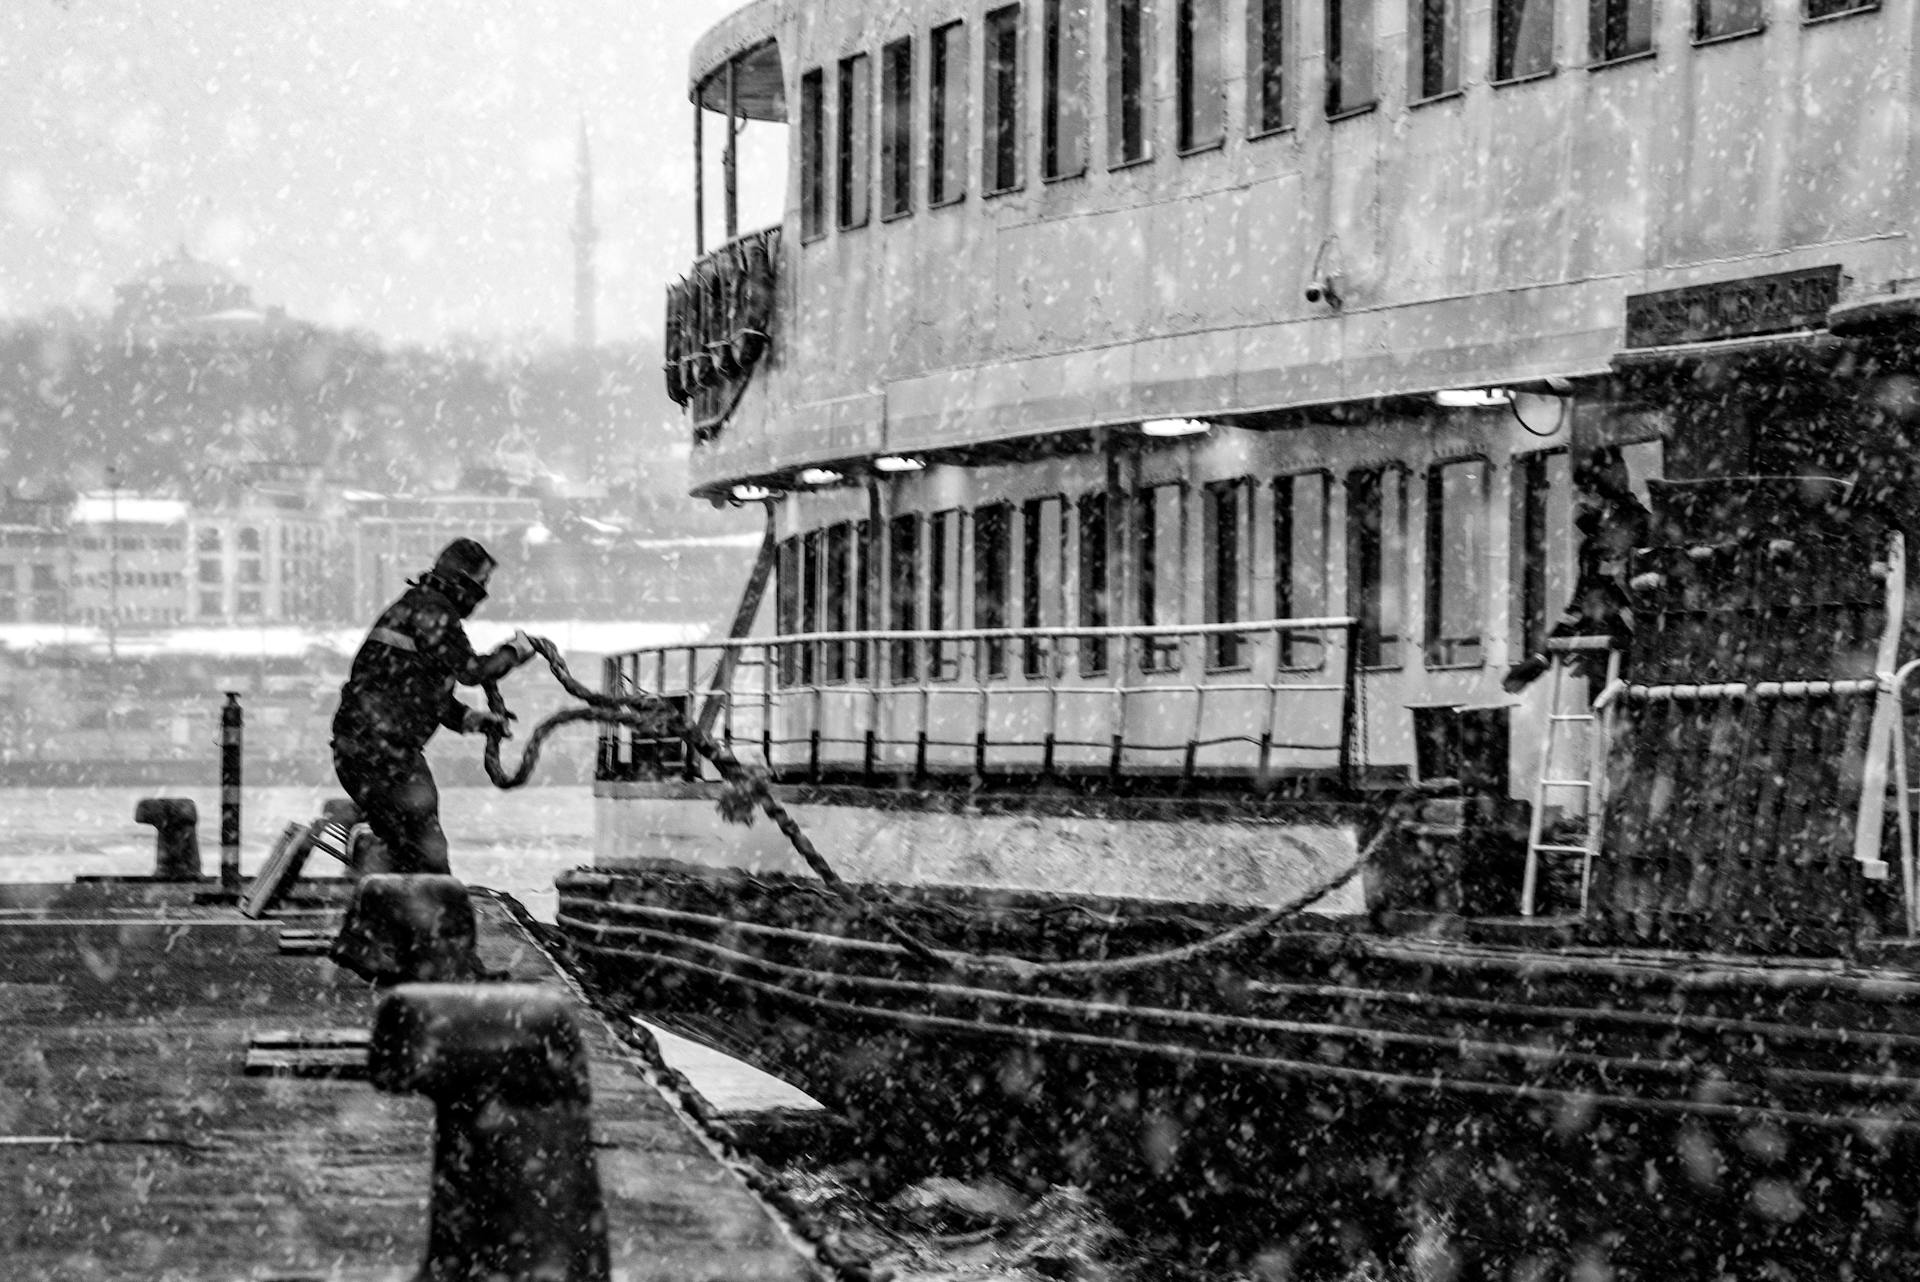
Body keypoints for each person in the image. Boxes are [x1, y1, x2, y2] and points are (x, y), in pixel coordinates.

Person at [331, 538, 542, 875]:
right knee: (426, 849)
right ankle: (427, 912)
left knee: (407, 844)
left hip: (362, 751)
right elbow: (472, 672)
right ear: (462, 581)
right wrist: (515, 652)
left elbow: (425, 698)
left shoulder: (415, 607)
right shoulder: (432, 611)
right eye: (482, 583)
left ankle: (384, 897)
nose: (483, 594)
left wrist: (474, 719)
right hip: (383, 754)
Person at [1504, 445, 1651, 692]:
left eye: (1585, 493)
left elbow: (1608, 599)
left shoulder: (1638, 530)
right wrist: (1543, 656)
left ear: (1603, 496)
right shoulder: (1592, 548)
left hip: (1635, 657)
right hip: (1604, 654)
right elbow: (1578, 608)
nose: (1580, 502)